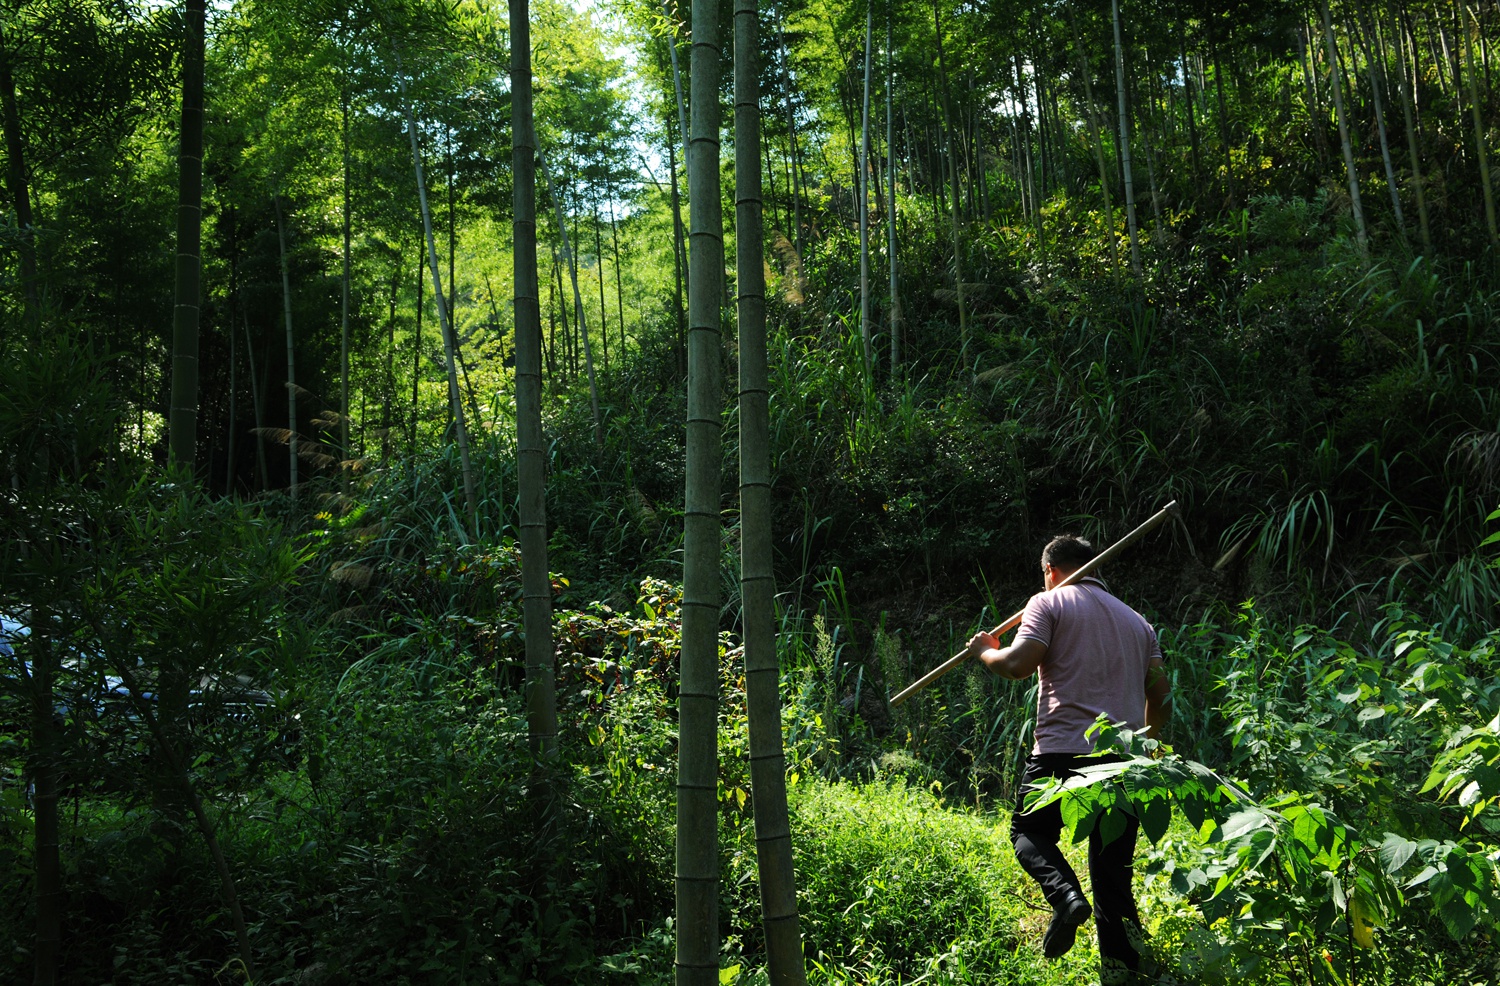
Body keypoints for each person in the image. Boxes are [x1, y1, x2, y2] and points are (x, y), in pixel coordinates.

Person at [965, 535, 1170, 984]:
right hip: (1124, 764)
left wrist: (985, 650)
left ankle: (1065, 898)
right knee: (1113, 876)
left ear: (1050, 570)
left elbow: (1017, 664)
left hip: (1062, 751)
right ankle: (1125, 974)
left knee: (1029, 832)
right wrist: (1144, 748)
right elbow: (1161, 697)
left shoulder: (1048, 602)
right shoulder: (1139, 624)